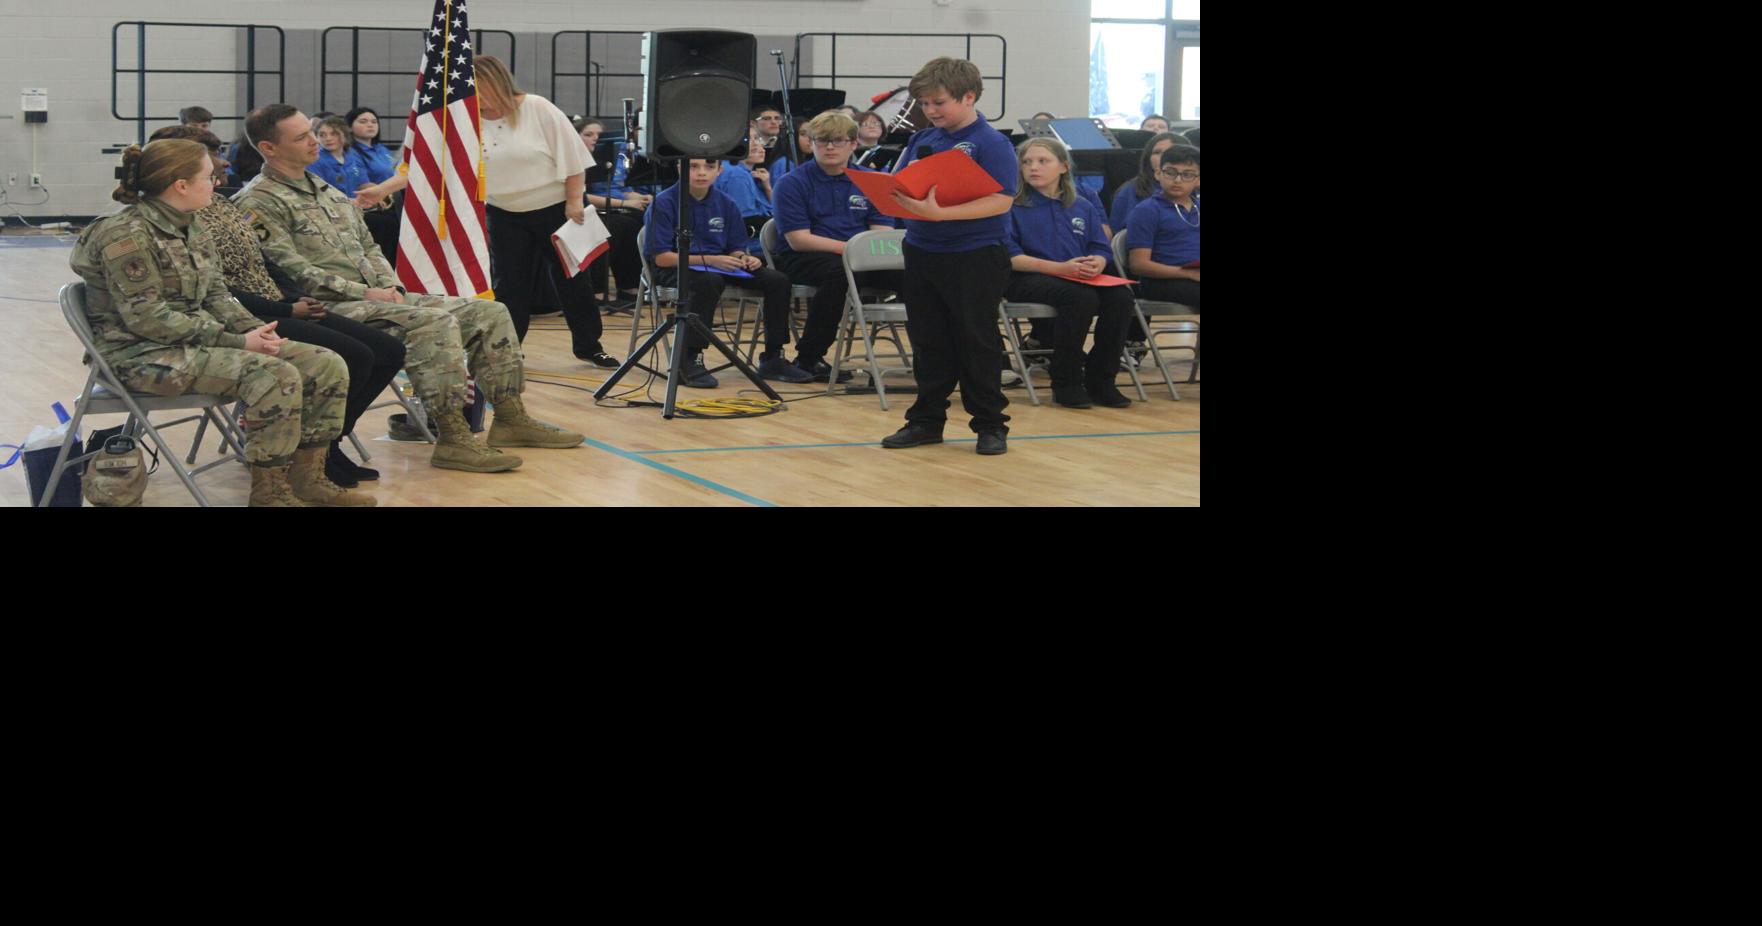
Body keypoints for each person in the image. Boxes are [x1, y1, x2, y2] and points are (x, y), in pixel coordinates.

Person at [236, 102, 584, 473]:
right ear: (269, 148)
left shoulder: (323, 188)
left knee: (490, 312)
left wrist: (388, 284)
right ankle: (452, 436)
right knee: (432, 323)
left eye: (310, 131)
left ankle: (511, 418)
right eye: (301, 136)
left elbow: (367, 245)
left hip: (378, 296)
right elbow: (291, 270)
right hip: (330, 307)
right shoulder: (258, 201)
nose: (314, 140)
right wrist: (366, 293)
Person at [69, 139, 370, 506]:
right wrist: (238, 343)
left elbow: (217, 295)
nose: (216, 183)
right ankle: (269, 493)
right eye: (209, 176)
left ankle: (309, 477)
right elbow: (148, 319)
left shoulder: (191, 225)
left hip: (192, 344)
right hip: (140, 355)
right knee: (276, 374)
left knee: (325, 364)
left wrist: (253, 330)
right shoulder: (125, 235)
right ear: (181, 185)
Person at [876, 57, 1019, 456]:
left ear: (968, 96)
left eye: (938, 102)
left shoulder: (991, 142)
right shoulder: (923, 140)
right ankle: (926, 420)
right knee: (928, 340)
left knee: (977, 341)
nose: (931, 111)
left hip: (974, 254)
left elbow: (1002, 200)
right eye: (924, 103)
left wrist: (943, 214)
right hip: (923, 249)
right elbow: (901, 183)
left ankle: (991, 424)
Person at [468, 56, 617, 367]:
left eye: (479, 89)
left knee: (572, 279)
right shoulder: (467, 118)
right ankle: (509, 349)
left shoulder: (536, 107)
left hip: (556, 207)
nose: (476, 97)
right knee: (510, 285)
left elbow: (573, 156)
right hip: (503, 211)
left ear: (496, 82)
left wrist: (574, 200)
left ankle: (589, 345)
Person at [642, 158, 809, 387]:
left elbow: (735, 247)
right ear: (680, 168)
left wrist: (744, 258)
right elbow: (661, 258)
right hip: (675, 266)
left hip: (719, 264)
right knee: (709, 280)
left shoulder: (725, 203)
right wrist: (712, 260)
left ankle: (773, 356)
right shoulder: (665, 202)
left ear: (719, 171)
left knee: (777, 281)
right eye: (693, 167)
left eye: (709, 167)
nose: (702, 173)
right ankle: (690, 357)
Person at [768, 111, 901, 383]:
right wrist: (853, 250)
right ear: (812, 143)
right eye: (822, 141)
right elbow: (799, 239)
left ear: (853, 144)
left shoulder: (872, 181)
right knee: (838, 273)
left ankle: (935, 354)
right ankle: (809, 356)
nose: (829, 147)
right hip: (805, 257)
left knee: (918, 274)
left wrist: (864, 254)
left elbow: (882, 232)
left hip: (860, 256)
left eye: (838, 141)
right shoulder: (792, 183)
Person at [1004, 138, 1135, 410]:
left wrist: (1098, 262)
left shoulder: (1081, 205)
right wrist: (1059, 269)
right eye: (1027, 162)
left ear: (1063, 167)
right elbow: (1010, 257)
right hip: (1026, 277)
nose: (1033, 168)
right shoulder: (1012, 205)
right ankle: (1066, 382)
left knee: (1121, 297)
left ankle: (1102, 380)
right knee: (1080, 298)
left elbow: (1100, 246)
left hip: (1073, 274)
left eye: (1043, 161)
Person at [573, 116, 648, 313]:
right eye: (589, 135)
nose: (595, 139)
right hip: (581, 211)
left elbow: (618, 188)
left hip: (607, 206)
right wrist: (624, 203)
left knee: (635, 222)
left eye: (598, 135)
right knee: (611, 228)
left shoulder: (607, 159)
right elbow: (582, 195)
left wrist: (639, 198)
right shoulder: (574, 158)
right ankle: (597, 292)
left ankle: (628, 286)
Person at [1125, 144, 1201, 310]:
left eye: (1187, 175)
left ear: (1198, 180)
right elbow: (1138, 264)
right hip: (1160, 282)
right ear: (1158, 174)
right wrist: (1187, 273)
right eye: (1170, 172)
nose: (1178, 180)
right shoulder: (1147, 210)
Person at [338, 107, 405, 267]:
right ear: (349, 126)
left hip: (394, 203)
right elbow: (362, 183)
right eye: (363, 121)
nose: (371, 125)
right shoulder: (350, 152)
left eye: (374, 122)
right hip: (371, 207)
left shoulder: (381, 150)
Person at [1108, 131, 1183, 234]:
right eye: (1157, 152)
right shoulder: (1130, 190)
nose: (1163, 157)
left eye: (1169, 152)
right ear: (1148, 158)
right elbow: (1123, 234)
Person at [714, 135, 775, 240]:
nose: (756, 144)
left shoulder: (748, 174)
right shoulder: (737, 175)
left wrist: (768, 187)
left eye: (756, 138)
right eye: (747, 139)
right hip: (753, 245)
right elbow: (746, 222)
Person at [308, 115, 372, 195]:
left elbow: (363, 184)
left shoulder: (353, 155)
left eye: (334, 134)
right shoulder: (314, 160)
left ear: (345, 135)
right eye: (322, 135)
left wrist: (377, 192)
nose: (328, 138)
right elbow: (318, 193)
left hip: (357, 205)